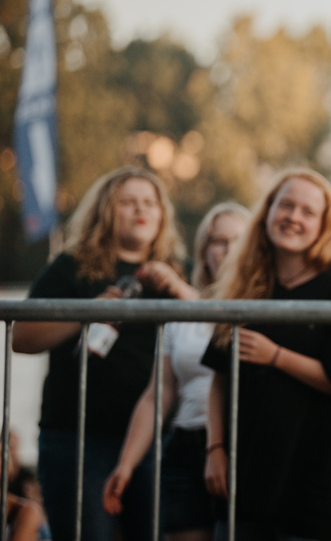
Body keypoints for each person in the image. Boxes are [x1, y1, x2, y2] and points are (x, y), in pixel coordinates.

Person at [12, 166, 198, 541]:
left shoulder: (181, 271)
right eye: (127, 202)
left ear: (163, 214)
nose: (140, 210)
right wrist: (85, 315)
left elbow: (221, 330)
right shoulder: (71, 267)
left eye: (149, 202)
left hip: (158, 442)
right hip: (77, 439)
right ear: (105, 211)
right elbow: (22, 338)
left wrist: (183, 291)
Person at [201, 168, 331, 541]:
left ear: (324, 226)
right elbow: (218, 377)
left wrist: (276, 355)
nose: (294, 217)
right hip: (245, 473)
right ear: (268, 212)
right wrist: (215, 448)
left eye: (308, 212)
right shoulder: (243, 282)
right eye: (286, 205)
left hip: (311, 478)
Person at [102, 202, 250, 541]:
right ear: (204, 250)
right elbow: (158, 394)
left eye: (237, 241)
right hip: (184, 446)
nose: (226, 251)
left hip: (240, 444)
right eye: (218, 241)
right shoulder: (180, 314)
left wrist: (182, 294)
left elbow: (223, 329)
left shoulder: (266, 304)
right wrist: (125, 465)